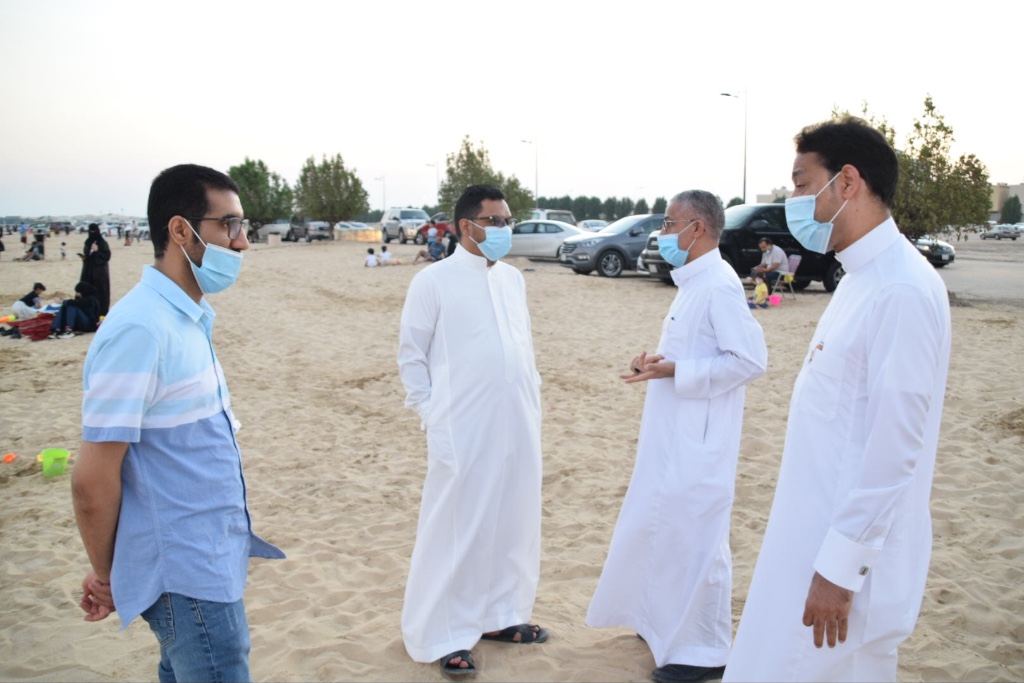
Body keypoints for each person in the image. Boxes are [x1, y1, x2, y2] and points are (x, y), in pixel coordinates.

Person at [724, 118, 952, 683]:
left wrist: (840, 570)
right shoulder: (858, 279)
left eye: (802, 184)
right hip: (807, 537)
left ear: (847, 181)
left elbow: (896, 447)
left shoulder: (901, 288)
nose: (794, 201)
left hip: (842, 567)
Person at [72, 164, 285, 682]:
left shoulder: (184, 316)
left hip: (209, 558)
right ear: (180, 231)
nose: (243, 243)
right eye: (229, 225)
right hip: (186, 576)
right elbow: (92, 480)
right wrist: (109, 574)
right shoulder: (141, 328)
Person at [586, 190, 767, 683]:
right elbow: (689, 351)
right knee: (662, 528)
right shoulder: (691, 282)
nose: (662, 232)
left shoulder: (719, 285)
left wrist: (678, 371)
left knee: (697, 540)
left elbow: (749, 361)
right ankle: (662, 625)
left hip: (699, 442)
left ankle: (703, 651)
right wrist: (652, 363)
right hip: (670, 437)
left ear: (697, 228)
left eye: (669, 223)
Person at [398, 184, 548, 677]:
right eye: (495, 221)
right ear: (467, 226)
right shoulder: (433, 281)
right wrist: (432, 415)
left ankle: (501, 616)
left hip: (517, 418)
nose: (505, 229)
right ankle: (444, 633)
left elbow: (522, 346)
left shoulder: (512, 280)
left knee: (513, 518)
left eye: (508, 220)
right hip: (460, 424)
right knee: (456, 527)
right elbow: (412, 356)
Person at [80, 223, 111, 316]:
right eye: (91, 230)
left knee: (100, 293)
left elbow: (106, 256)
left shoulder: (103, 243)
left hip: (99, 273)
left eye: (94, 230)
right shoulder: (87, 242)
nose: (92, 232)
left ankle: (101, 313)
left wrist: (97, 251)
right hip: (88, 271)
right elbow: (88, 254)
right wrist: (85, 257)